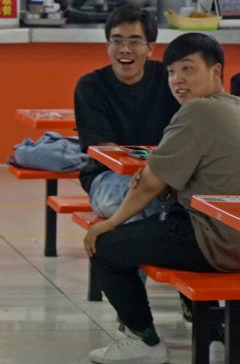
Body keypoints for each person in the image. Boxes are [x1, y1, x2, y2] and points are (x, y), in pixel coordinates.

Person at [84, 33, 240, 364]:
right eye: (171, 72)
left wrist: (110, 223)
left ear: (215, 71)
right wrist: (158, 178)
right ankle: (212, 326)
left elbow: (149, 183)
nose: (178, 80)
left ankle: (144, 341)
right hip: (231, 232)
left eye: (188, 69)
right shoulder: (233, 106)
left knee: (106, 248)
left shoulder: (198, 110)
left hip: (216, 241)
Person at [74, 4, 179, 219]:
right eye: (117, 41)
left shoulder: (169, 80)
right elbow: (105, 149)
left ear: (150, 48)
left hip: (161, 176)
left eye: (134, 42)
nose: (125, 49)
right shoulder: (90, 86)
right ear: (107, 46)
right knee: (148, 204)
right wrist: (147, 175)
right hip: (108, 178)